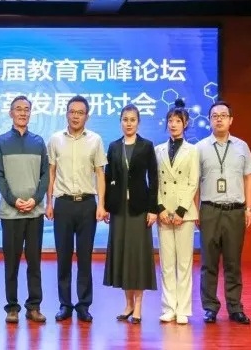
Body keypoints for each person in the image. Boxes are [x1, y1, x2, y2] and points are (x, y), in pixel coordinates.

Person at [46, 95, 107, 323]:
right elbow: (51, 173)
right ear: (66, 114)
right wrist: (49, 202)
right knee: (63, 257)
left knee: (84, 257)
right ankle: (65, 304)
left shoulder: (95, 140)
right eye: (72, 112)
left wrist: (101, 204)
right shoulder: (55, 139)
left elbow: (100, 174)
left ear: (87, 116)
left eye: (80, 113)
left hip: (87, 205)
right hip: (62, 204)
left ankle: (83, 304)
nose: (75, 116)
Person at [196, 100, 251, 325]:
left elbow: (249, 178)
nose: (219, 119)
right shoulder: (200, 147)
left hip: (235, 211)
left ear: (231, 120)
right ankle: (210, 307)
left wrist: (248, 208)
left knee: (233, 262)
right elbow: (195, 182)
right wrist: (196, 210)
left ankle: (235, 307)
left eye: (223, 115)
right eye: (214, 116)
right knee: (208, 263)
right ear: (209, 120)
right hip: (209, 210)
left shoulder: (242, 146)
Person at [0, 95, 49, 324]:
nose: (23, 113)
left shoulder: (38, 142)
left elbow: (46, 175)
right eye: (18, 109)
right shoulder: (1, 141)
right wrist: (13, 200)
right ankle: (12, 307)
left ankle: (34, 306)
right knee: (12, 263)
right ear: (11, 113)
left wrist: (35, 200)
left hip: (35, 213)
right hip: (11, 213)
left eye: (26, 109)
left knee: (34, 262)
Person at [103, 104, 158, 324]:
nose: (129, 123)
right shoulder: (114, 147)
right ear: (120, 122)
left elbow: (154, 179)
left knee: (137, 257)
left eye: (132, 120)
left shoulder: (146, 146)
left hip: (139, 209)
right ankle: (127, 304)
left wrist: (153, 209)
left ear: (138, 122)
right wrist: (106, 206)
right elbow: (108, 178)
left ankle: (139, 307)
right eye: (125, 119)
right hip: (119, 210)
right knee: (123, 255)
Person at [155, 99, 199, 325]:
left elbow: (193, 182)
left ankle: (183, 309)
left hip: (185, 213)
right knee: (166, 263)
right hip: (164, 212)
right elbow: (154, 181)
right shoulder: (158, 150)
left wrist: (181, 210)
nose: (173, 124)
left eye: (177, 121)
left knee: (184, 263)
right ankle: (168, 307)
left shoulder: (193, 151)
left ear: (185, 123)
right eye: (170, 121)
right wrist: (160, 208)